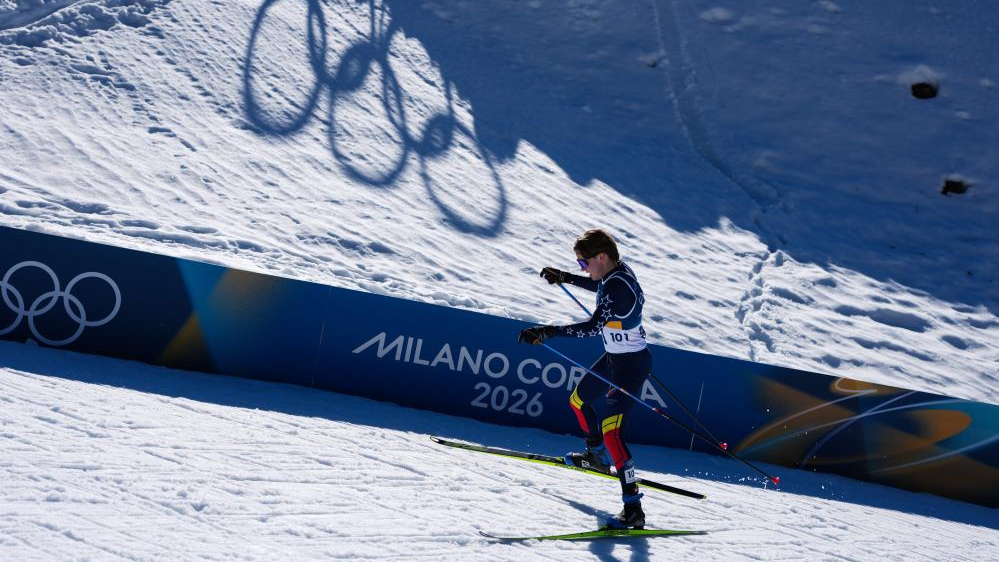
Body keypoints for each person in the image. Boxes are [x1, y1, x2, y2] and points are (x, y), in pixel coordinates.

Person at [517, 229, 651, 530]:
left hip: (630, 367)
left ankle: (633, 509)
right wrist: (565, 277)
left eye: (583, 263)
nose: (583, 269)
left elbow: (592, 327)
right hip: (614, 360)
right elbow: (599, 285)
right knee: (578, 401)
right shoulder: (614, 273)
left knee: (612, 432)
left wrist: (548, 332)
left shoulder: (618, 288)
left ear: (602, 257)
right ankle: (596, 455)